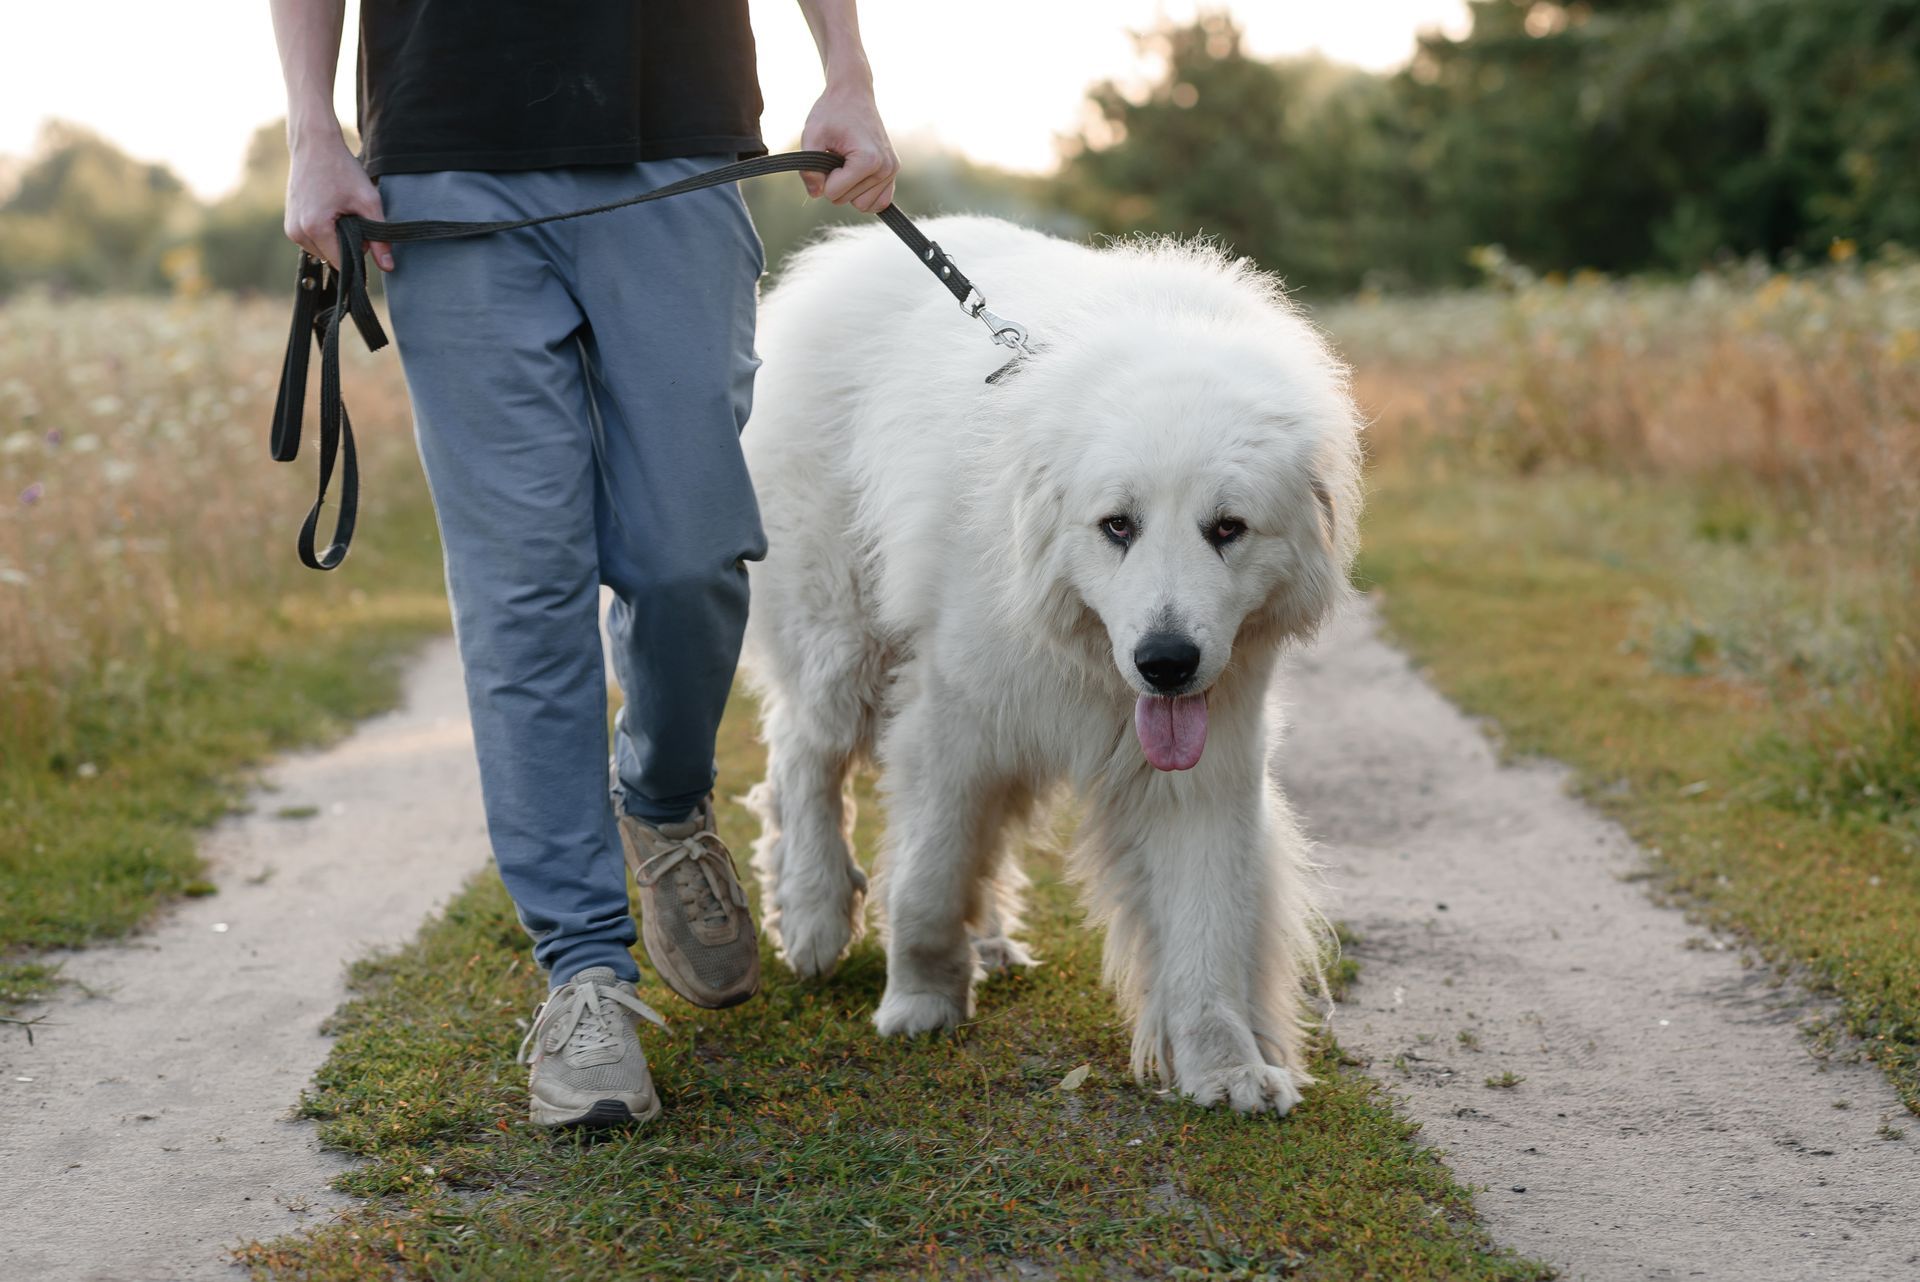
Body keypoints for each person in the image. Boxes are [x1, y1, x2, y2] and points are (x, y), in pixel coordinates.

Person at [270, 0, 897, 1129]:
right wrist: (313, 130)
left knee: (690, 555)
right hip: (447, 152)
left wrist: (846, 69)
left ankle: (663, 801)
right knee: (522, 590)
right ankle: (585, 973)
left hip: (676, 139)